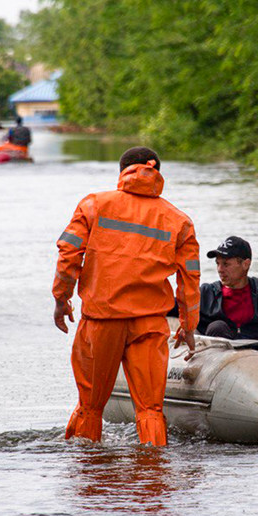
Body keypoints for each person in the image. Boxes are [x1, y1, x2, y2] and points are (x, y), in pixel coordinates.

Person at [53, 146, 201, 446]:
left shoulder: (94, 204)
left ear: (121, 172)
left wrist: (61, 299)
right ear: (158, 171)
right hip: (149, 325)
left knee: (91, 408)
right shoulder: (179, 221)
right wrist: (188, 324)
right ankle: (154, 479)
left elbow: (68, 256)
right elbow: (190, 280)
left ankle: (90, 473)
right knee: (150, 410)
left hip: (101, 321)